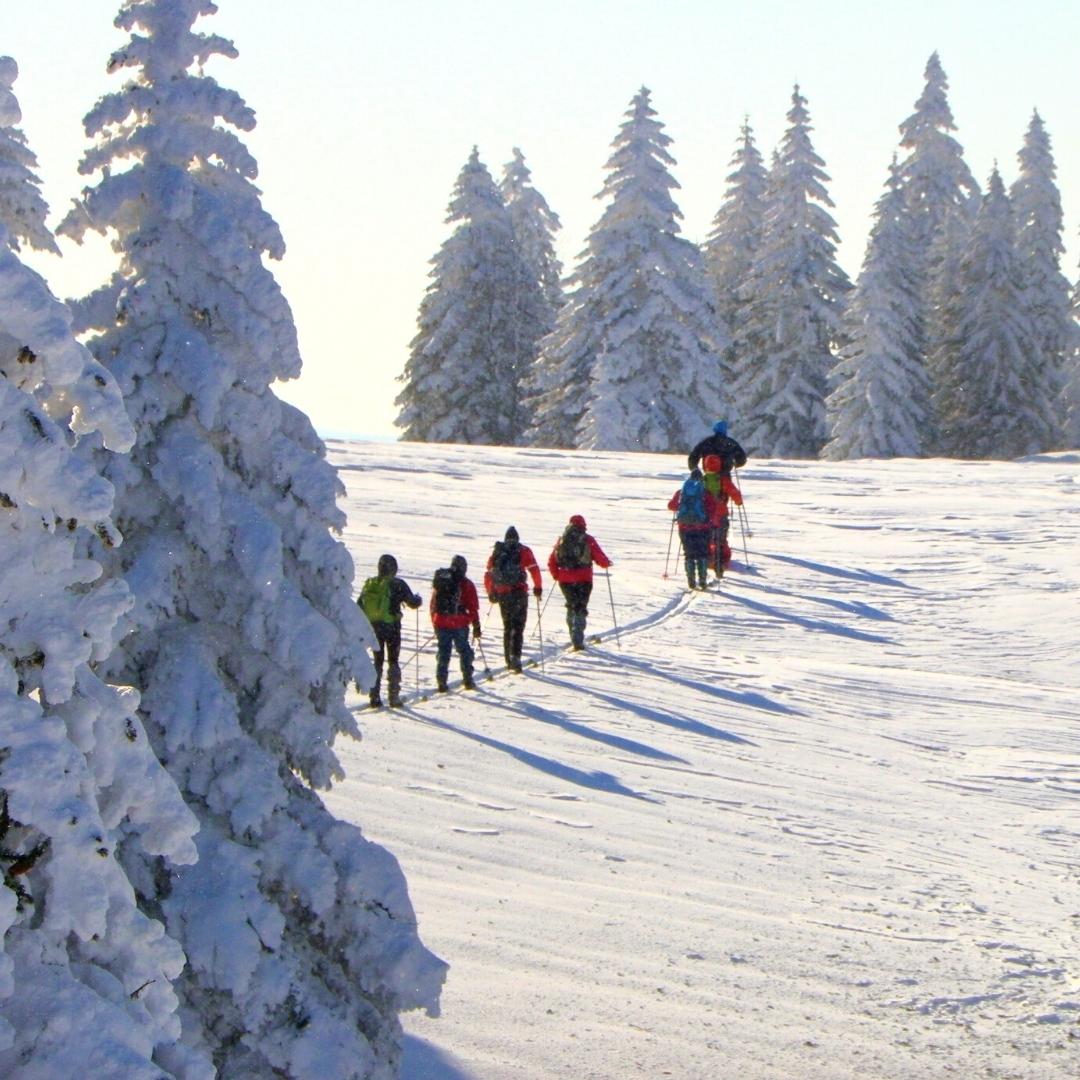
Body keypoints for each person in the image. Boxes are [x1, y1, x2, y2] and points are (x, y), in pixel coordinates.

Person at [358, 553, 423, 708]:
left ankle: (374, 697)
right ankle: (393, 697)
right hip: (392, 627)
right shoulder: (397, 583)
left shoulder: (371, 584)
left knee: (377, 661)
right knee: (393, 661)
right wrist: (418, 599)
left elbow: (359, 605)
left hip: (374, 627)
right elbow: (412, 603)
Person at [547, 515, 612, 650]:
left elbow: (552, 561)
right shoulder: (587, 539)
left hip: (565, 580)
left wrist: (557, 575)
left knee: (571, 605)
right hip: (584, 579)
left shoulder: (562, 540)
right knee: (580, 607)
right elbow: (599, 556)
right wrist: (605, 563)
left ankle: (573, 632)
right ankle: (578, 637)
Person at [484, 526, 543, 673]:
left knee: (508, 626)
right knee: (518, 626)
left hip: (503, 594)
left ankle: (508, 658)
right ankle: (515, 657)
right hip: (519, 593)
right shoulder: (523, 550)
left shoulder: (498, 552)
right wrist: (538, 587)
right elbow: (534, 569)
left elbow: (489, 573)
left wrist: (491, 591)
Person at [430, 554, 481, 692]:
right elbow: (473, 607)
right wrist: (476, 625)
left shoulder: (442, 581)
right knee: (464, 651)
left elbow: (433, 604)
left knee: (444, 652)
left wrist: (435, 622)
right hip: (459, 623)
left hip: (441, 622)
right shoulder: (466, 584)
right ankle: (467, 679)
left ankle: (441, 681)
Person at [667, 469, 715, 590]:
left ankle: (691, 581)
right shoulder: (705, 492)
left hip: (684, 527)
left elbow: (671, 506)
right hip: (702, 528)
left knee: (689, 554)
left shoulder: (681, 492)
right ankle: (703, 580)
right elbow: (713, 508)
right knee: (702, 553)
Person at [701, 454, 744, 576]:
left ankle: (707, 558)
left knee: (707, 537)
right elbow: (734, 492)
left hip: (705, 514)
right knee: (721, 538)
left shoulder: (701, 480)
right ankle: (721, 560)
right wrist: (738, 501)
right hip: (721, 513)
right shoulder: (723, 480)